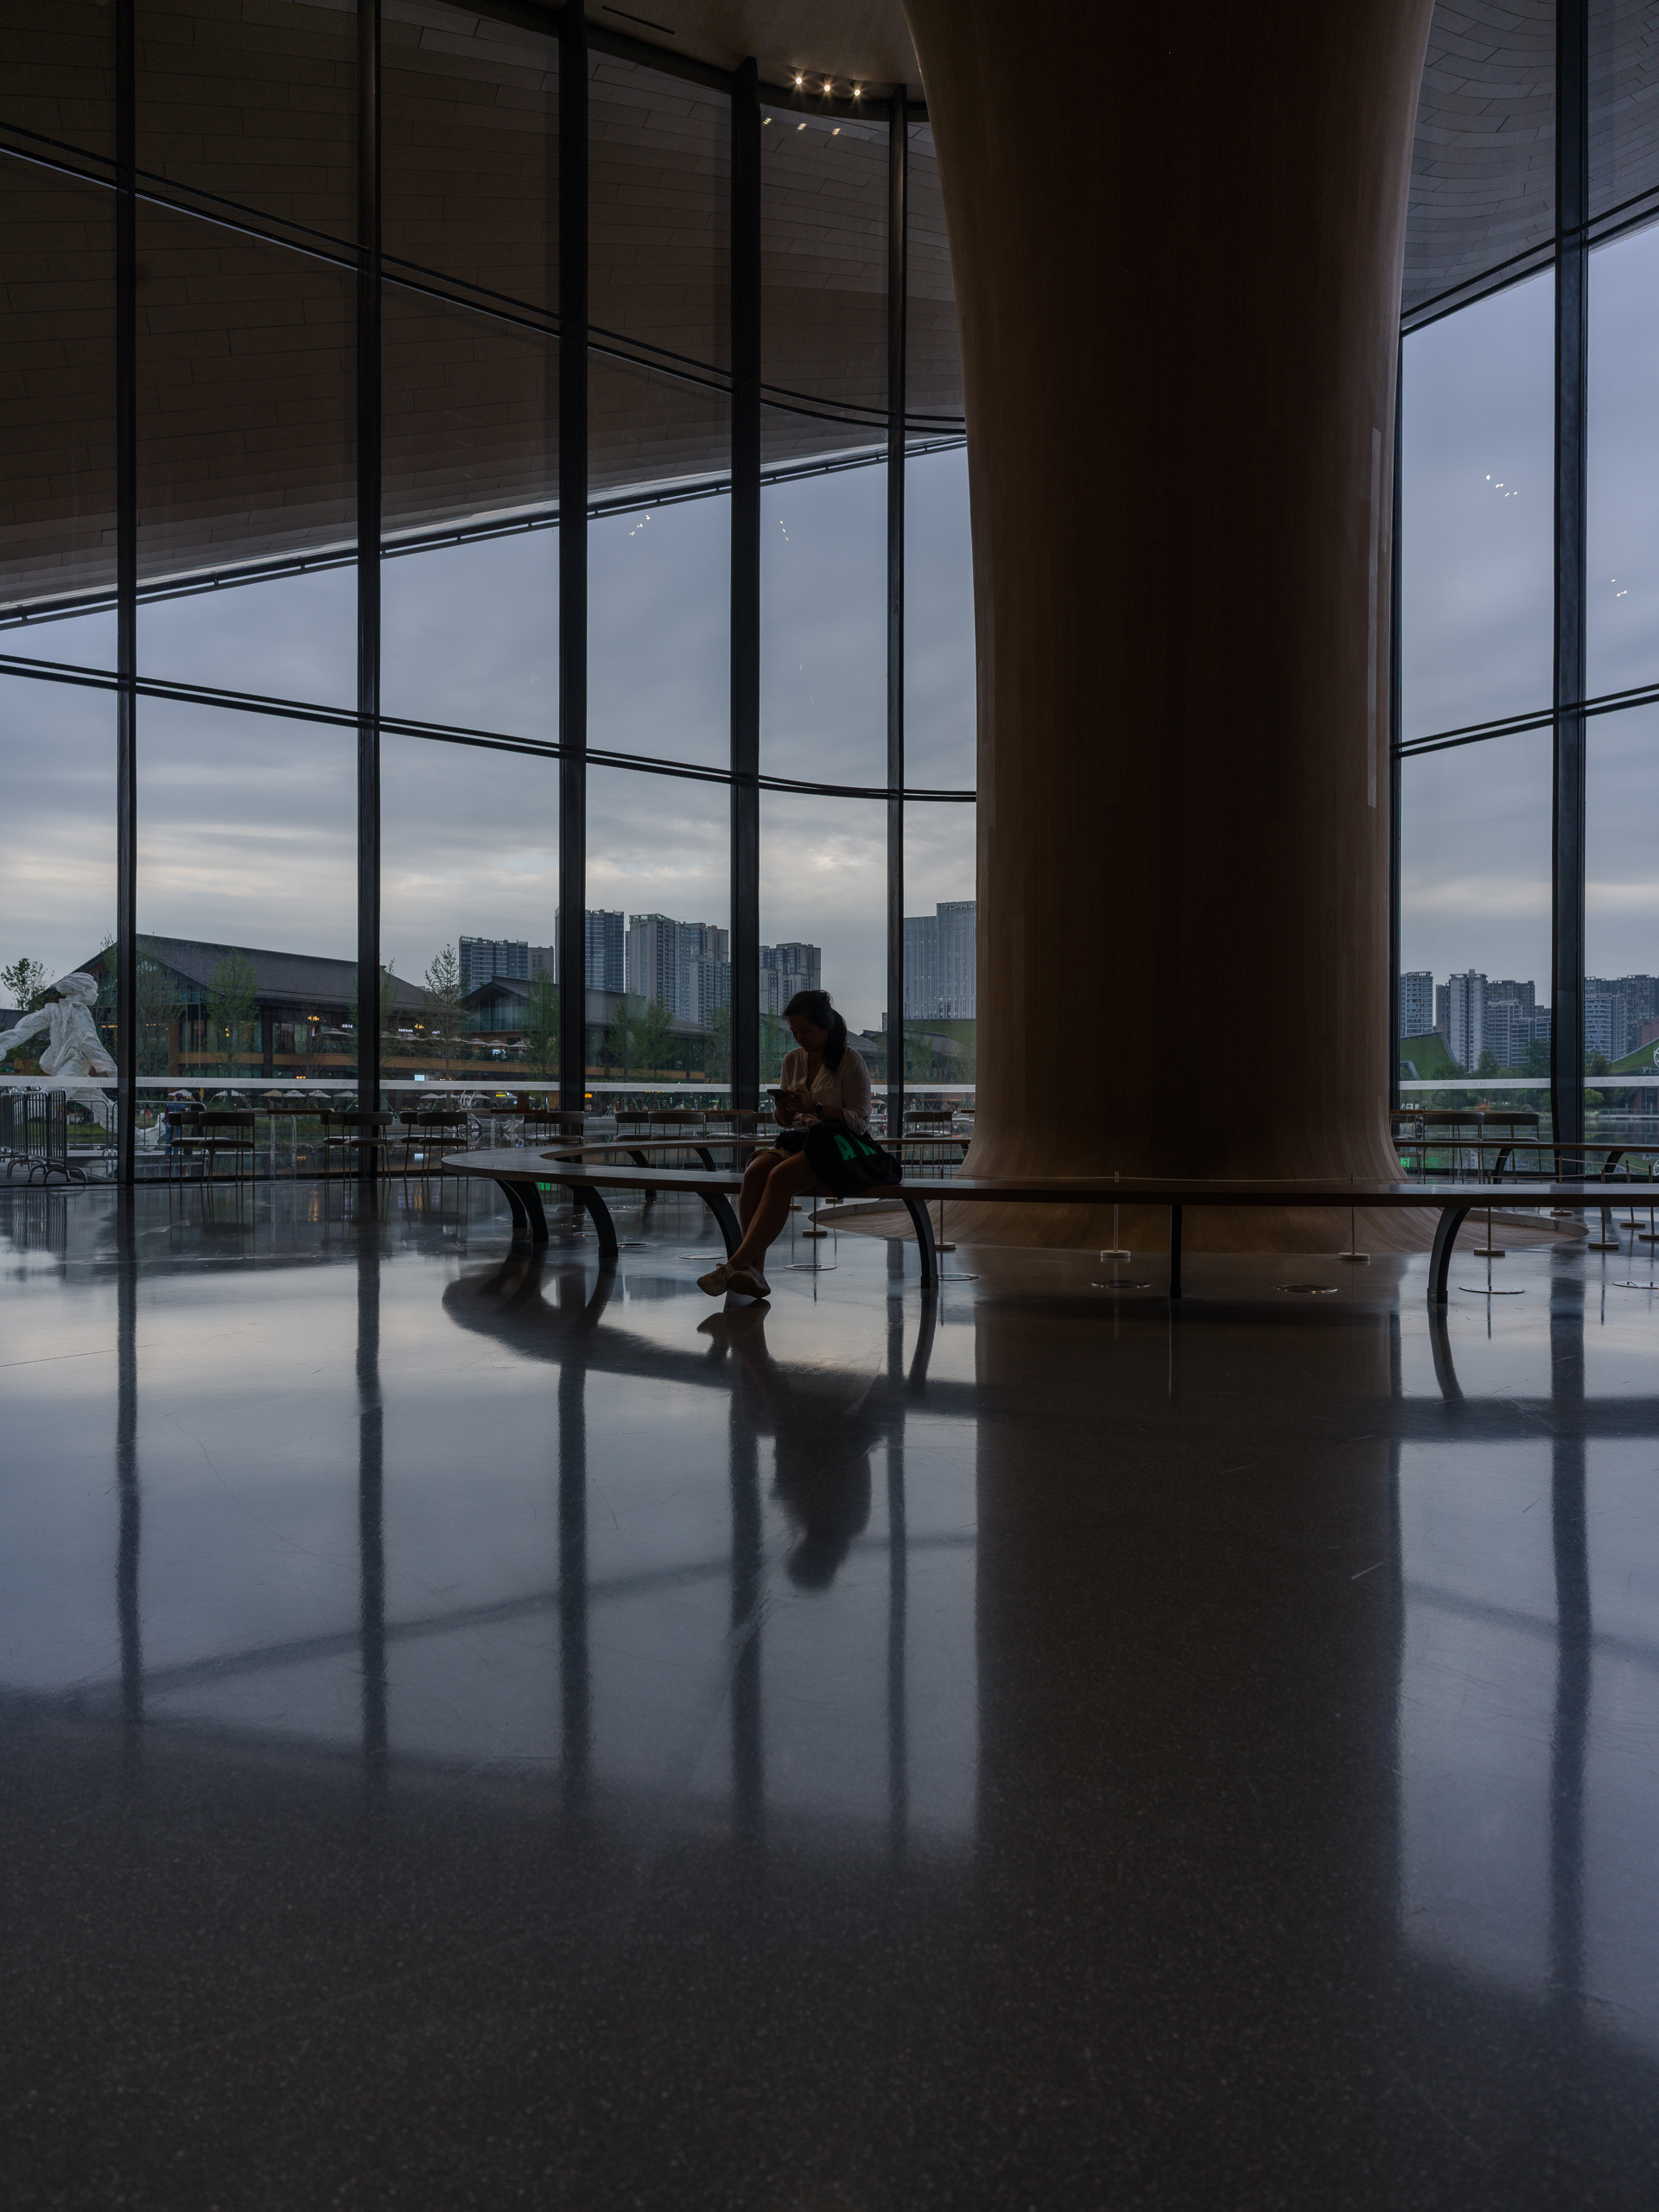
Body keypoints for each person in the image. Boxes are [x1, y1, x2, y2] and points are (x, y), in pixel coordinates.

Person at [699, 988, 874, 1300]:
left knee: (779, 1177)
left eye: (806, 1031)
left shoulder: (851, 1061)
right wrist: (785, 1108)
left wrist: (815, 1107)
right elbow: (783, 1122)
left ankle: (733, 1267)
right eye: (794, 1032)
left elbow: (859, 1122)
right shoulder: (792, 1060)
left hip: (838, 1144)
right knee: (755, 1172)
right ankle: (754, 1271)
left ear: (826, 1026)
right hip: (801, 1140)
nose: (799, 1039)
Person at [0, 970, 118, 1127]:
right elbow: (88, 1040)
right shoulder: (79, 1010)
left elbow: (25, 1028)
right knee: (41, 1102)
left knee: (104, 1107)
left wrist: (3, 1044)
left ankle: (140, 1137)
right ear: (84, 990)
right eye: (95, 990)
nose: (97, 994)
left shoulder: (54, 1010)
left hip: (72, 1070)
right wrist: (111, 1068)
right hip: (73, 1069)